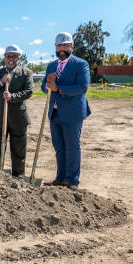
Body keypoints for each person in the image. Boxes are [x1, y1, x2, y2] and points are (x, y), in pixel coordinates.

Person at [41, 32, 91, 189]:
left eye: (65, 45)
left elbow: (82, 87)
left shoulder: (80, 64)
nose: (61, 49)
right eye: (59, 46)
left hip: (72, 113)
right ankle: (61, 178)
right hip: (54, 113)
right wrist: (48, 86)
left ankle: (73, 181)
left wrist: (59, 88)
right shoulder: (51, 65)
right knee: (59, 148)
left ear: (72, 47)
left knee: (72, 147)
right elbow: (44, 86)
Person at [0, 45, 34, 177]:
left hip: (19, 118)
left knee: (18, 149)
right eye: (8, 56)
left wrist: (12, 97)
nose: (11, 59)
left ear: (19, 58)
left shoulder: (26, 73)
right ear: (4, 58)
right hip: (0, 117)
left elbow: (29, 91)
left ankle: (18, 175)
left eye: (14, 56)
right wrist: (0, 82)